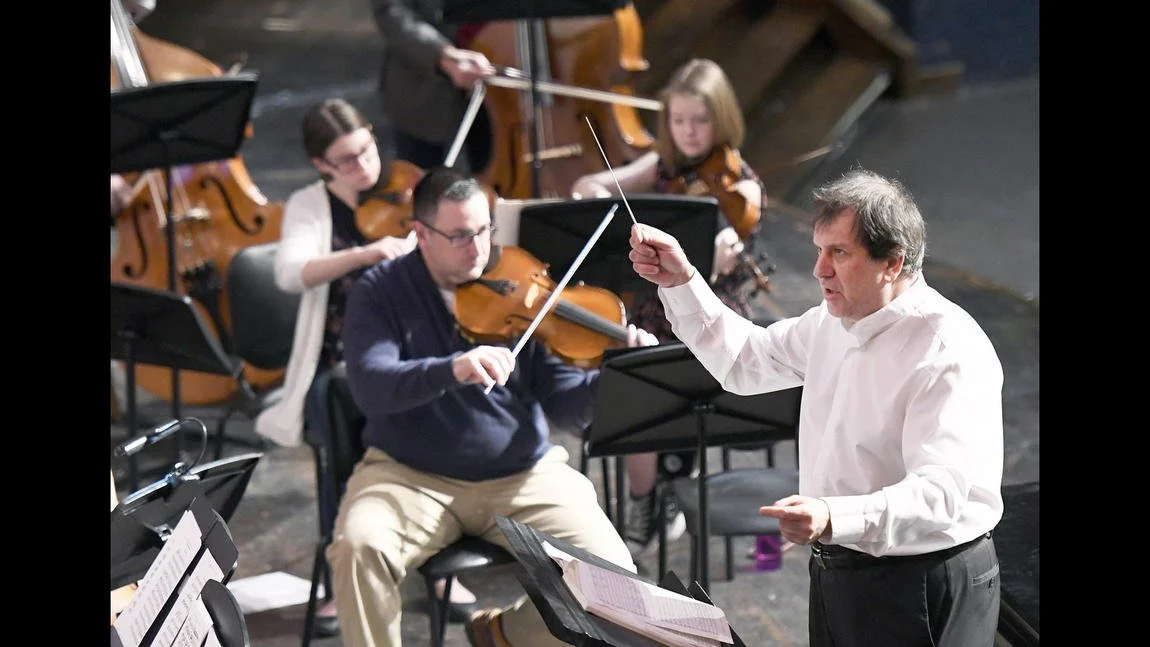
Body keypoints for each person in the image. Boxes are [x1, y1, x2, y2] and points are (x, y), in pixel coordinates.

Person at [628, 168, 1004, 646]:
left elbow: (940, 496)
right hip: (840, 569)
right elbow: (746, 359)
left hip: (921, 581)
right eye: (819, 250)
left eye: (838, 254)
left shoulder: (947, 350)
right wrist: (682, 281)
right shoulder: (833, 321)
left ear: (892, 262)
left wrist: (833, 515)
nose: (818, 269)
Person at [327, 165, 657, 647]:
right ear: (421, 234)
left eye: (484, 230)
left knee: (616, 583)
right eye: (460, 236)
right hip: (409, 475)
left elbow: (567, 409)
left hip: (523, 473)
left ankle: (504, 634)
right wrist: (452, 369)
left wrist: (614, 376)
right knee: (359, 549)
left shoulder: (522, 283)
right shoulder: (380, 291)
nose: (478, 248)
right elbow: (371, 386)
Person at [250, 98, 474, 637]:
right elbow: (290, 273)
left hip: (415, 351)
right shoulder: (310, 205)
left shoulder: (409, 189)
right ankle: (342, 575)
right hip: (337, 363)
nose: (364, 167)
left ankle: (435, 563)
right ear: (321, 166)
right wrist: (368, 254)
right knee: (347, 416)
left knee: (445, 413)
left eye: (367, 149)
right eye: (346, 161)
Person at [569, 57, 769, 558]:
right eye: (678, 121)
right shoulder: (663, 165)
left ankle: (676, 485)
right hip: (657, 309)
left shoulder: (739, 181)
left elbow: (733, 230)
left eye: (700, 121)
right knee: (631, 375)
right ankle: (647, 498)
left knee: (674, 372)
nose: (689, 132)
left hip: (711, 310)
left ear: (721, 119)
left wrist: (724, 242)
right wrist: (590, 190)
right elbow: (598, 184)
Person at [369, 0, 495, 172]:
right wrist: (445, 56)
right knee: (422, 182)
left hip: (501, 80)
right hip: (423, 85)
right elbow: (391, 12)